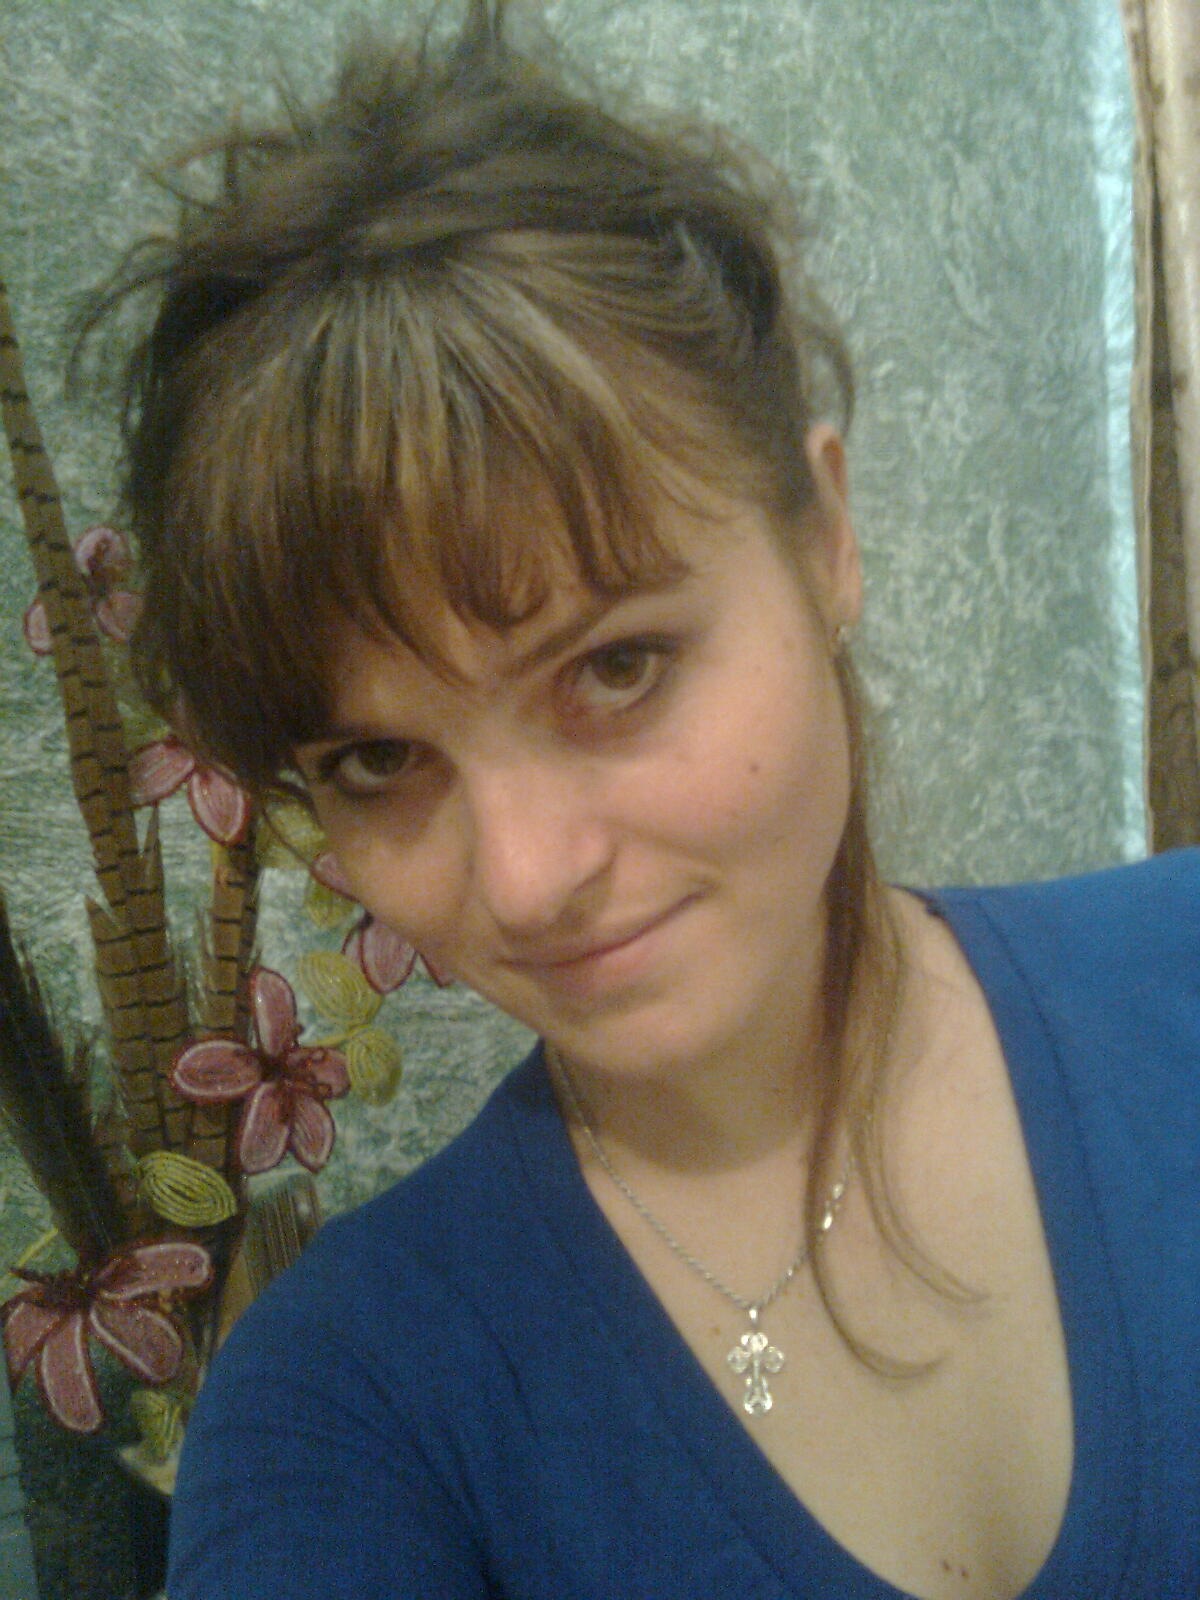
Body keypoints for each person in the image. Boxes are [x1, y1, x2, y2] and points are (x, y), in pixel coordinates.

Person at [90, 3, 1198, 1595]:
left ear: (824, 540)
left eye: (613, 668)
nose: (526, 879)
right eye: (377, 762)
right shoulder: (347, 1413)